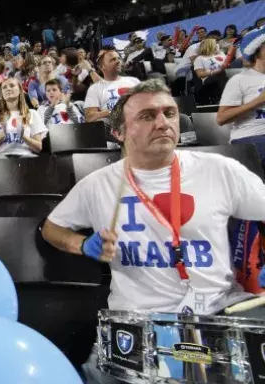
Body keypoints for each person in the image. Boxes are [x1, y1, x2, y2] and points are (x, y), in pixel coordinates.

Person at [40, 79, 265, 383]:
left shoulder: (219, 170)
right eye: (147, 116)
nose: (162, 123)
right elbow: (51, 228)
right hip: (135, 323)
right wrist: (81, 244)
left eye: (169, 113)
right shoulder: (97, 185)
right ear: (118, 132)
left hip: (217, 315)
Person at [218, 26, 265, 166]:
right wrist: (258, 101)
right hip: (251, 137)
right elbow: (222, 118)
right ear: (257, 52)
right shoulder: (239, 80)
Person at [0, 77, 48, 158]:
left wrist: (23, 136)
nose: (8, 89)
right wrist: (0, 138)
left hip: (25, 156)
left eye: (12, 85)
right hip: (0, 157)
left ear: (20, 90)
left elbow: (38, 148)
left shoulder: (32, 113)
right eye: (4, 87)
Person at [84, 48, 141, 123]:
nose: (118, 61)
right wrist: (111, 112)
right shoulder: (94, 88)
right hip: (112, 127)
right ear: (102, 66)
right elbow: (89, 117)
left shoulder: (134, 81)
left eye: (118, 58)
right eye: (113, 59)